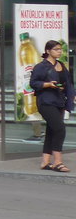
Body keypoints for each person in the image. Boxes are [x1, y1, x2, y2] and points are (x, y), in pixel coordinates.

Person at [30, 40, 75, 172]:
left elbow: (68, 83)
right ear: (48, 51)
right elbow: (33, 83)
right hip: (46, 102)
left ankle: (45, 162)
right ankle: (58, 162)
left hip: (59, 102)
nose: (59, 51)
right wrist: (47, 84)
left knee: (52, 131)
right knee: (60, 129)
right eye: (56, 49)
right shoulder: (41, 66)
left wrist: (73, 95)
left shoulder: (61, 65)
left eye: (60, 49)